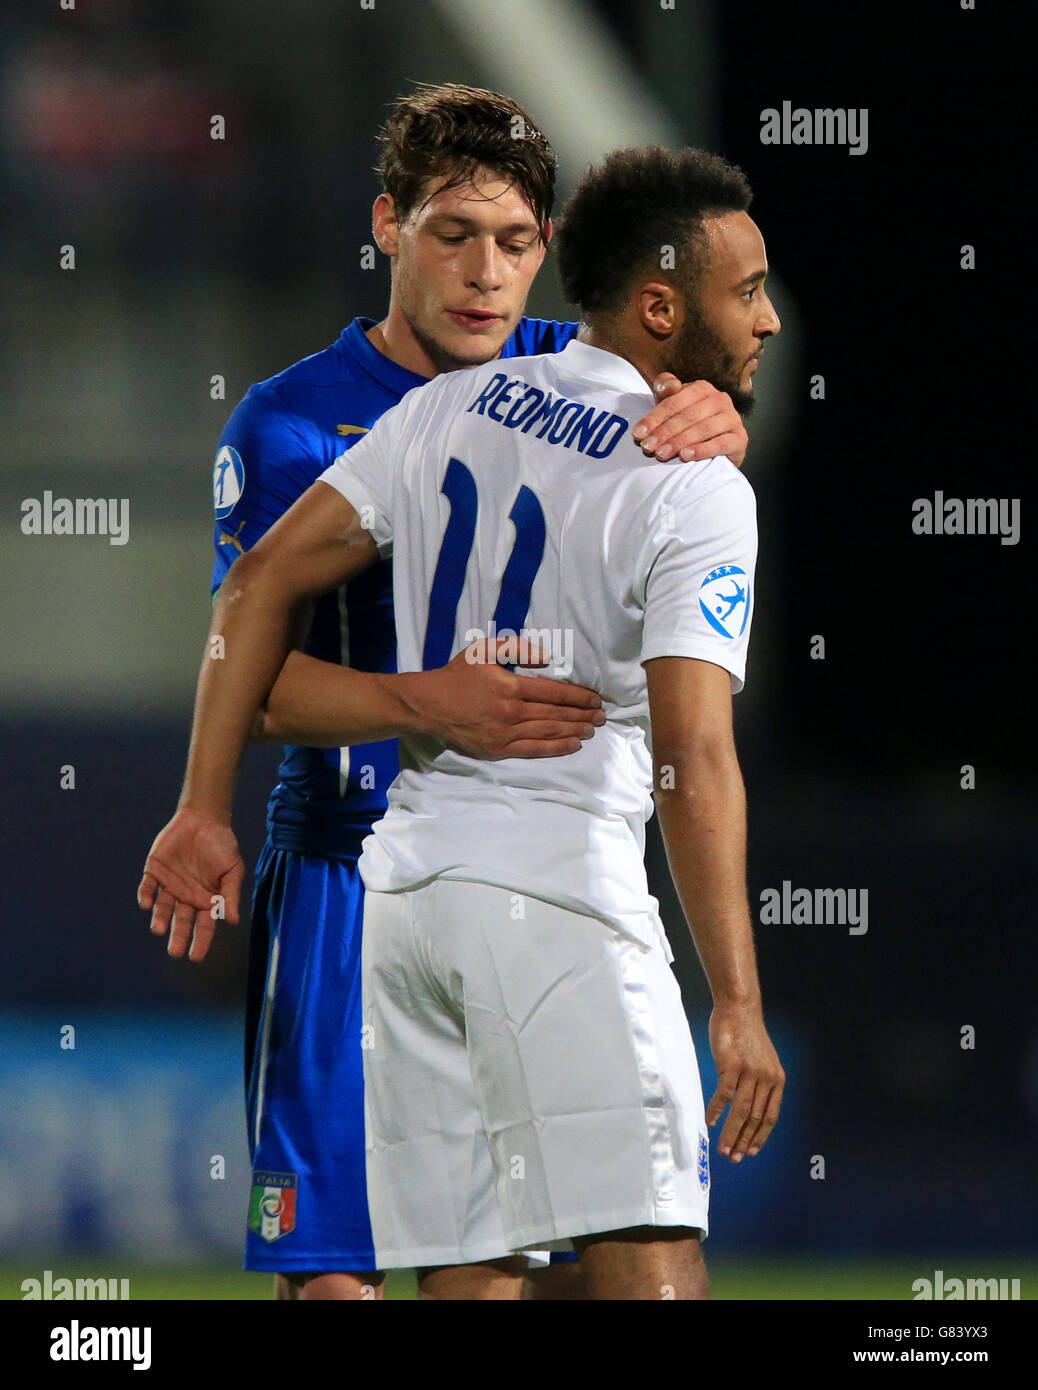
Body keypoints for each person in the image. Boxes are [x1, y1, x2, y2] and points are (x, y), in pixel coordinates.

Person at [139, 142, 784, 1300]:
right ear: (388, 227)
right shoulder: (292, 422)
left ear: (552, 262)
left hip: (417, 879)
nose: (488, 273)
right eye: (454, 235)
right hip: (385, 868)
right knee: (601, 1242)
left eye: (518, 242)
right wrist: (401, 709)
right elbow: (256, 659)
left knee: (487, 1267)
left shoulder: (493, 387)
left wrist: (712, 408)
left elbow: (640, 360)